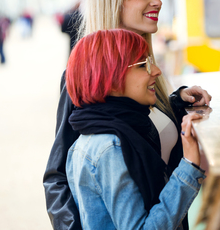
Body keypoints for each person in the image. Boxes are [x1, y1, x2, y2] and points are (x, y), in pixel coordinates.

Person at [43, 0, 212, 230]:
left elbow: (137, 128)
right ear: (113, 0)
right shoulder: (86, 77)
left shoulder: (145, 73)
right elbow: (57, 176)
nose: (156, 1)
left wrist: (175, 103)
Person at [65, 29, 205, 229]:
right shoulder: (110, 148)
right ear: (110, 78)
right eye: (142, 65)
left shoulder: (93, 137)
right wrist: (189, 166)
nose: (156, 70)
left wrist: (177, 101)